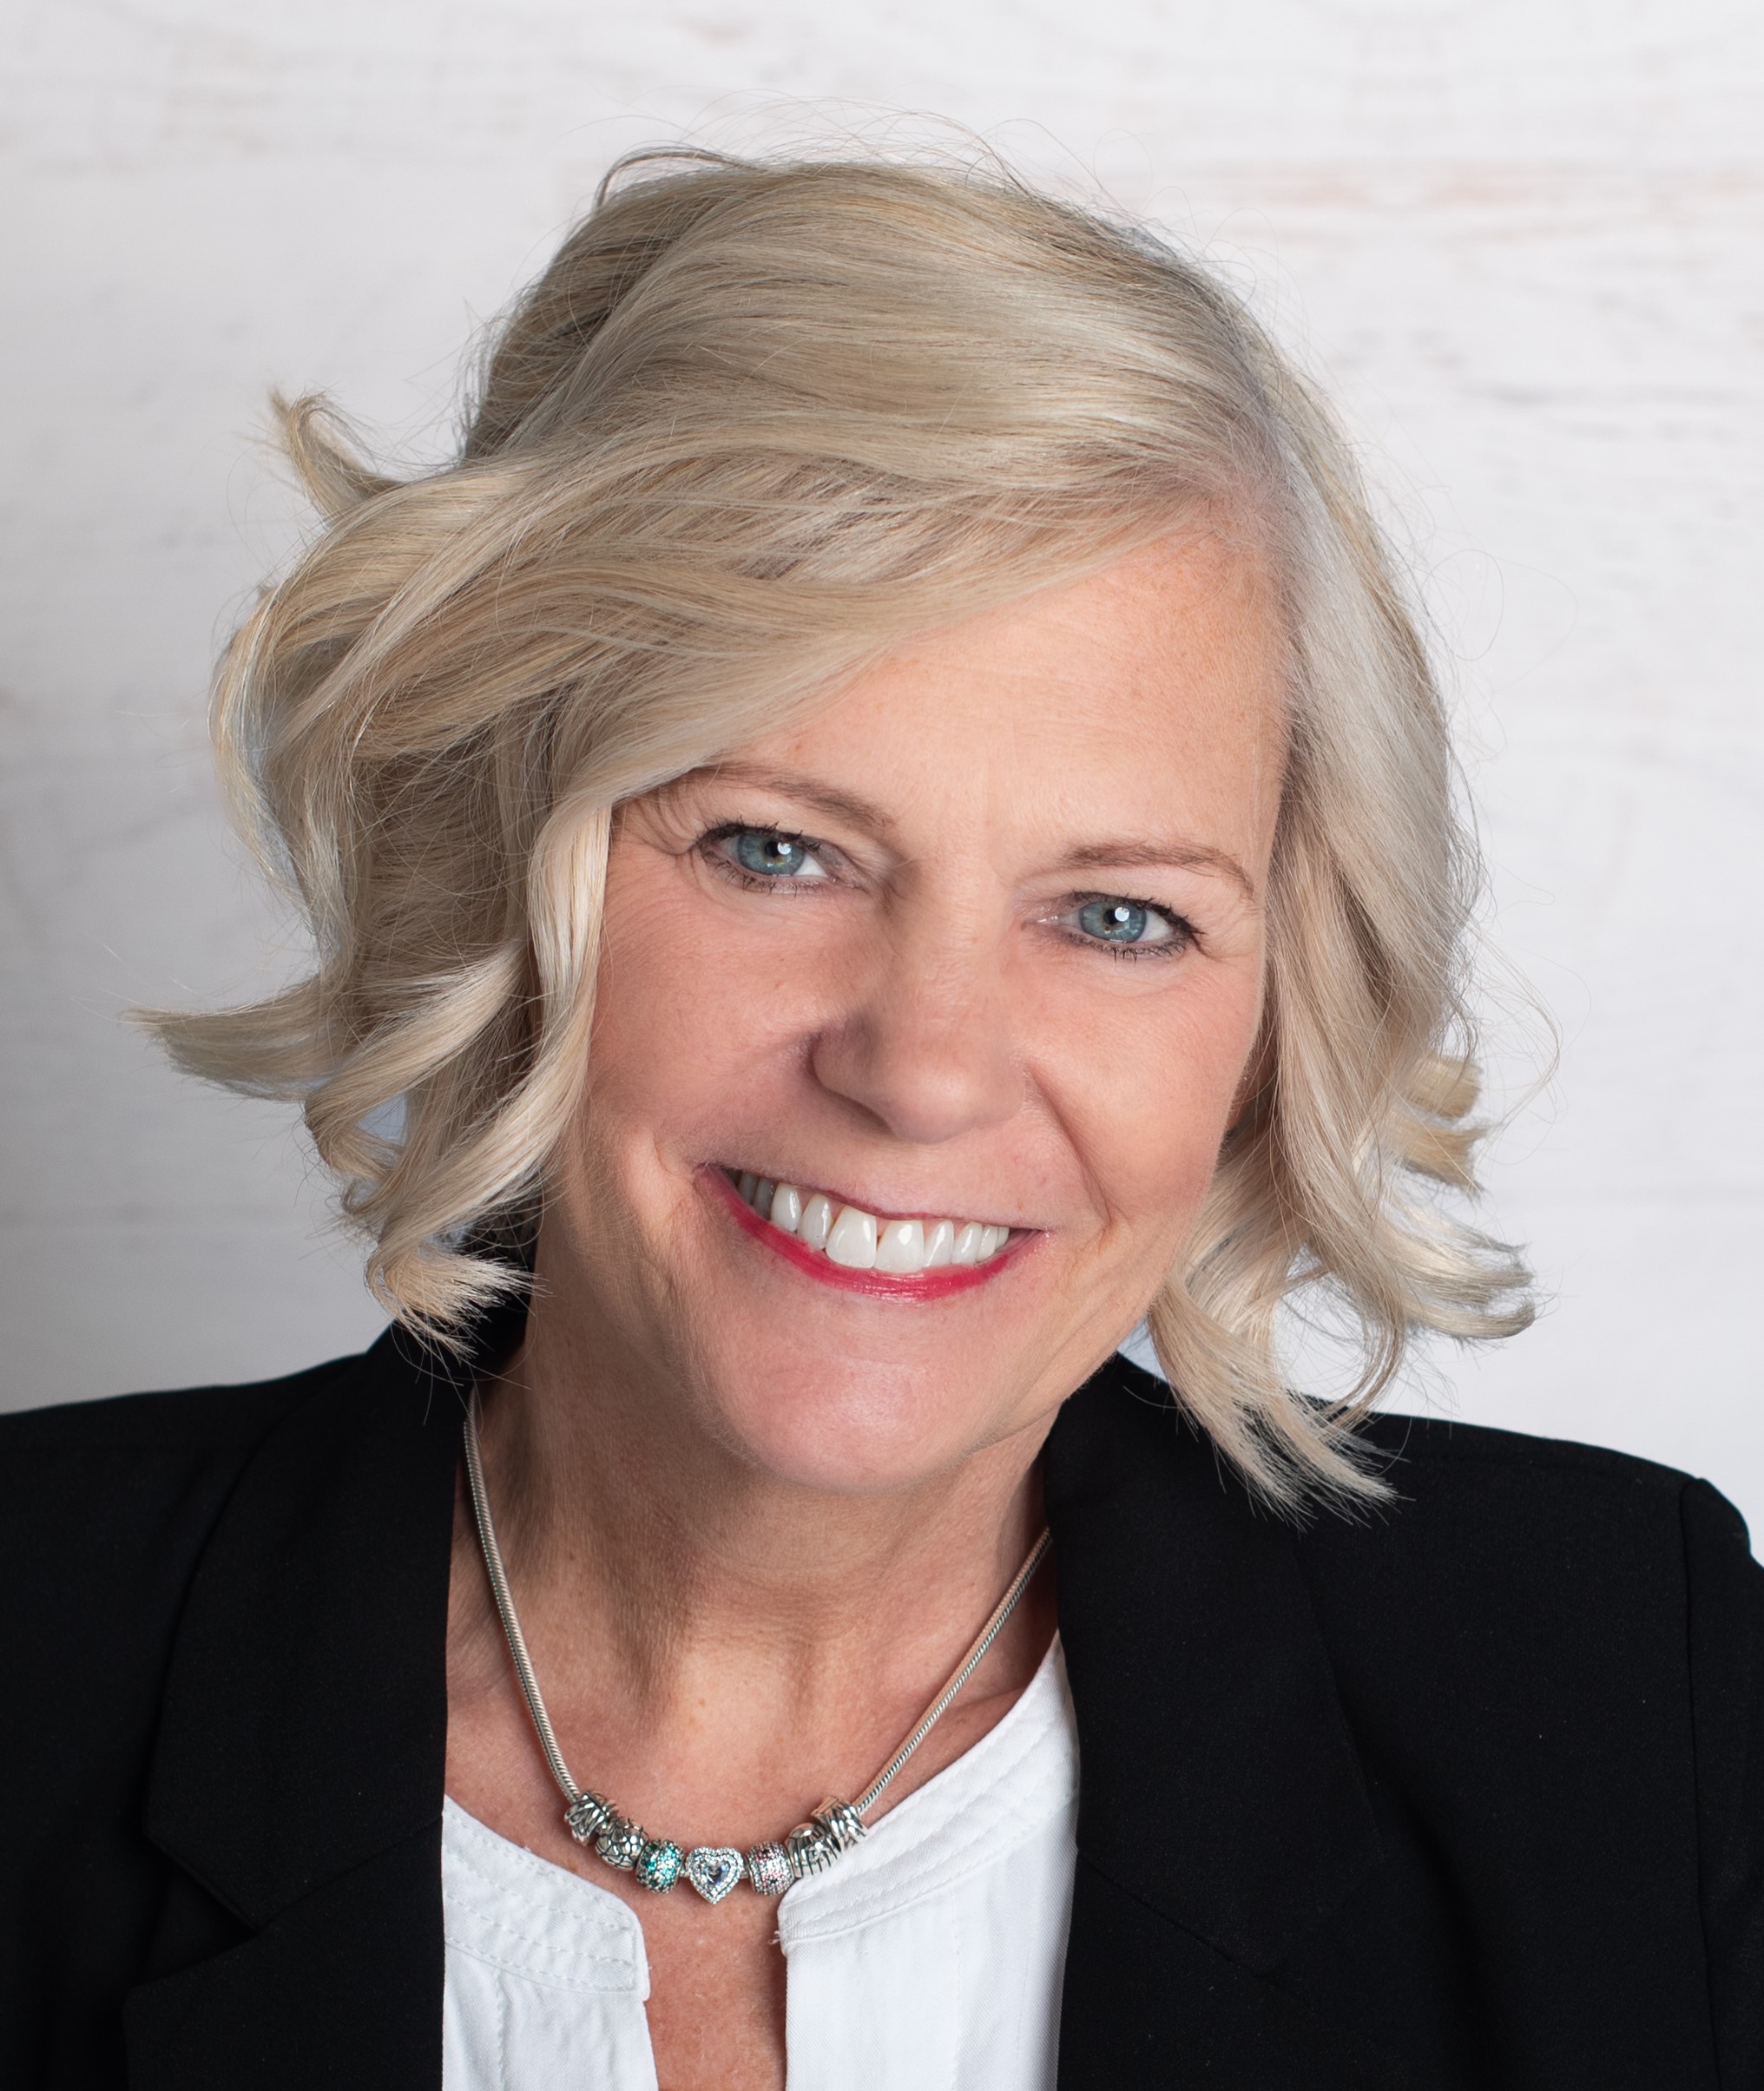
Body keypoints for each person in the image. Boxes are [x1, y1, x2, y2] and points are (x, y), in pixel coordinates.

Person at [2, 147, 1759, 2091]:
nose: (923, 1069)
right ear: (500, 854)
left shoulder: (1631, 1691)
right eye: (776, 848)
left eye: (1117, 914)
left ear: (1279, 1014)